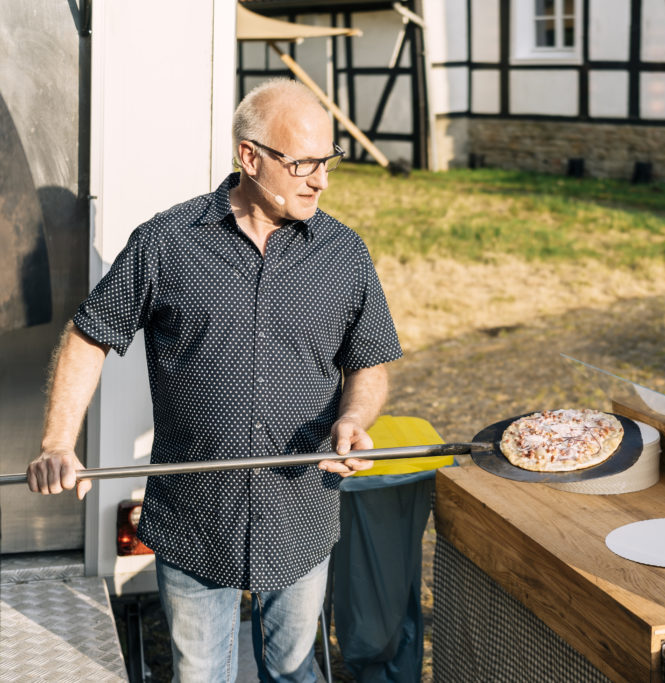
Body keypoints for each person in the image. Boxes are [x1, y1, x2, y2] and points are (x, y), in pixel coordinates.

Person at [26, 78, 403, 681]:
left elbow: (368, 363)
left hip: (300, 512)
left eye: (328, 162)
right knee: (201, 674)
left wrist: (355, 419)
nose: (320, 180)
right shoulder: (166, 243)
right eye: (302, 162)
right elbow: (88, 337)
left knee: (293, 669)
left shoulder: (344, 253)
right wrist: (56, 443)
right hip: (195, 517)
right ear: (250, 157)